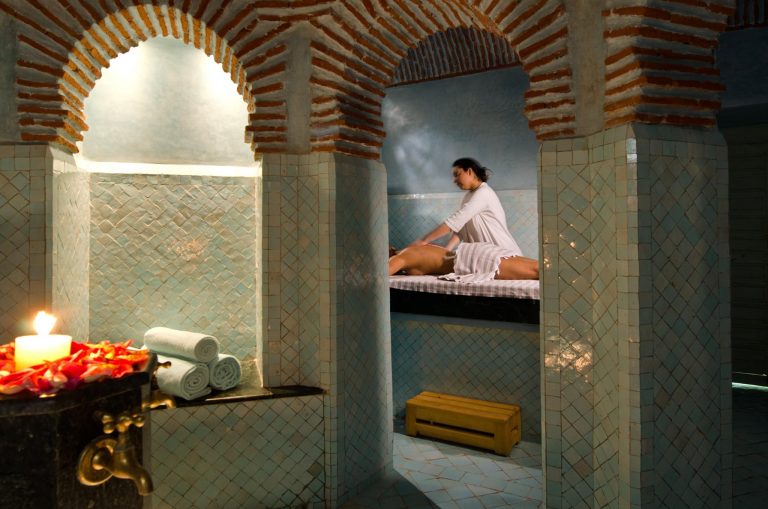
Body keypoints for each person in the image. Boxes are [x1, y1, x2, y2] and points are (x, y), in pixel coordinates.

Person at [408, 157, 522, 254]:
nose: (454, 180)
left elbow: (456, 220)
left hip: (505, 254)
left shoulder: (484, 193)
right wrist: (447, 250)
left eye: (457, 175)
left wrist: (424, 240)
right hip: (489, 256)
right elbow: (461, 228)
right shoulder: (469, 196)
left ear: (469, 172)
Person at [389, 243, 538, 280]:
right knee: (539, 267)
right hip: (474, 253)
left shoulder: (402, 256)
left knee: (538, 271)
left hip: (471, 260)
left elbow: (381, 273)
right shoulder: (410, 250)